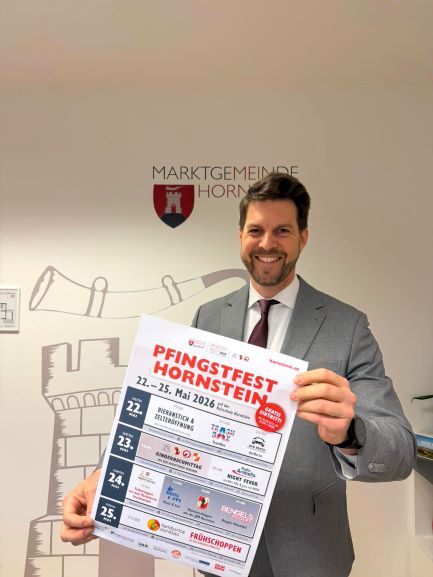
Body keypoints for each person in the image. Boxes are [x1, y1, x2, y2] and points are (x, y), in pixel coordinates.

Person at [61, 172, 415, 577]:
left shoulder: (346, 326)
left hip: (309, 551)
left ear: (303, 238)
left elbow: (401, 450)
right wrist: (104, 477)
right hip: (217, 545)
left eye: (282, 231)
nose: (267, 244)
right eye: (256, 230)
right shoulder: (209, 317)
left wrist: (351, 434)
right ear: (241, 236)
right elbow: (165, 415)